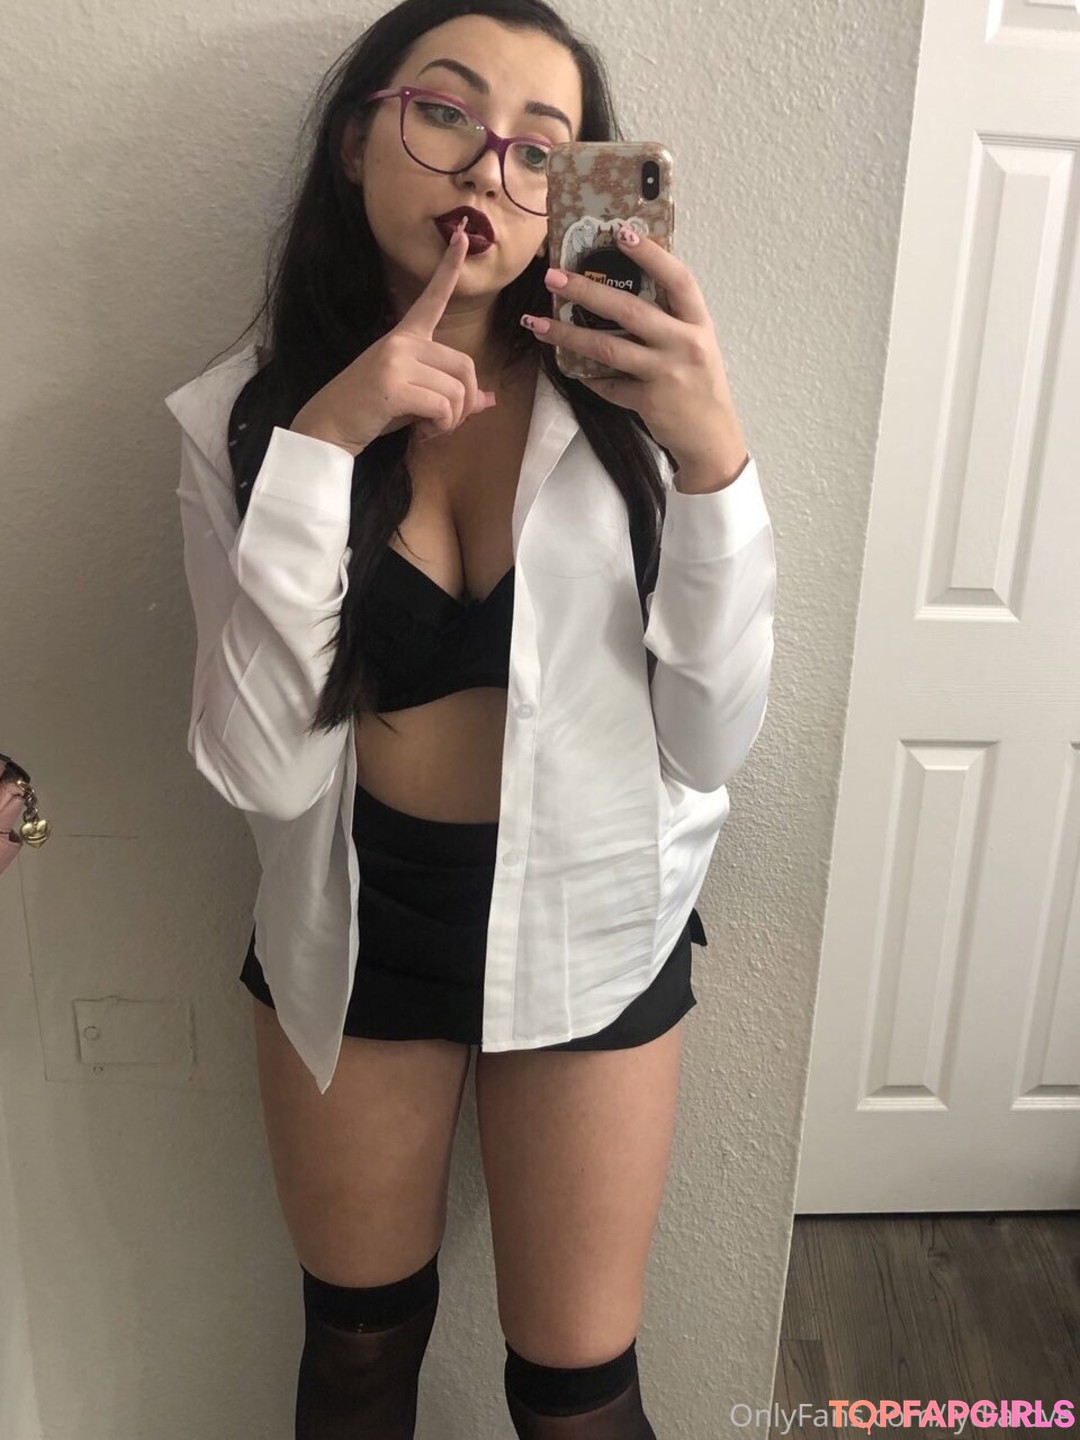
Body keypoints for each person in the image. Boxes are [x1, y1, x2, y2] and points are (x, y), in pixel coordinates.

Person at [164, 0, 775, 1434]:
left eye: (541, 148)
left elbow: (712, 741)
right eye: (445, 113)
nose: (490, 170)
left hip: (598, 919)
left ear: (574, 190)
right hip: (355, 926)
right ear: (353, 141)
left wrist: (715, 459)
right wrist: (327, 442)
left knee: (578, 1396)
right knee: (358, 1356)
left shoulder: (637, 409)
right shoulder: (242, 421)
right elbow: (261, 768)